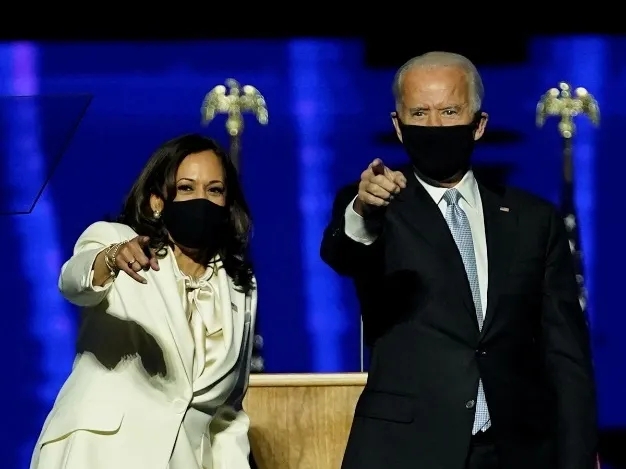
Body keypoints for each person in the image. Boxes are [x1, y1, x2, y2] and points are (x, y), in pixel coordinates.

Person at [320, 52, 597, 469]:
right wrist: (363, 211)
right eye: (419, 113)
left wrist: (578, 455)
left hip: (515, 451)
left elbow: (566, 354)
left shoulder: (533, 220)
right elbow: (344, 253)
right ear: (398, 125)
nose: (434, 126)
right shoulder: (376, 206)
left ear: (478, 124)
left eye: (449, 112)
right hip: (404, 450)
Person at [31, 134, 257, 469]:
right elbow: (73, 281)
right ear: (157, 201)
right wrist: (110, 259)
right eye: (186, 188)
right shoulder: (116, 240)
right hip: (99, 453)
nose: (201, 199)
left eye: (214, 190)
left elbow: (227, 412)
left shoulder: (239, 285)